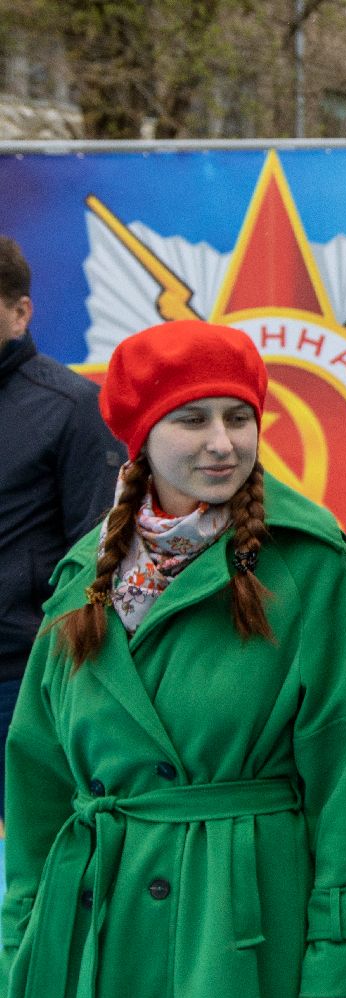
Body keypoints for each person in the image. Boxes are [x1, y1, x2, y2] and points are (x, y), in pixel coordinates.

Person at [1, 320, 346, 998]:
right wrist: (26, 941)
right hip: (94, 928)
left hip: (245, 926)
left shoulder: (309, 565)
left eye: (239, 417)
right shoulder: (84, 575)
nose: (222, 442)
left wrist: (337, 970)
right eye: (192, 419)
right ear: (141, 436)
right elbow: (39, 777)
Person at [0, 235, 122, 823]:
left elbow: (100, 559)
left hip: (21, 680)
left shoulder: (72, 407)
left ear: (20, 312)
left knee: (42, 869)